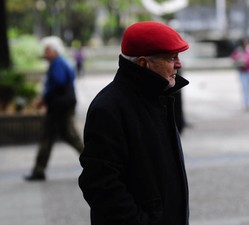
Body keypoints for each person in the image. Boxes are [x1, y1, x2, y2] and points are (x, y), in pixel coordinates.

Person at [78, 21, 190, 225]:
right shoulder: (109, 108)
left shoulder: (159, 98)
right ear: (143, 64)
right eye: (171, 57)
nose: (178, 64)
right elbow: (99, 184)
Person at [24, 36, 84, 181]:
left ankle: (96, 163)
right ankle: (39, 169)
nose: (45, 53)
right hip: (62, 106)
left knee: (59, 136)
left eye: (47, 50)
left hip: (60, 107)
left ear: (54, 50)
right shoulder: (60, 62)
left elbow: (58, 82)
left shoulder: (58, 64)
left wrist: (44, 97)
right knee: (61, 136)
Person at [231, 38, 249, 111]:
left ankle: (248, 103)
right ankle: (245, 103)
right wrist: (238, 60)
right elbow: (233, 56)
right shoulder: (239, 50)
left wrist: (245, 61)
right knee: (244, 87)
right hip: (242, 71)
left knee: (248, 88)